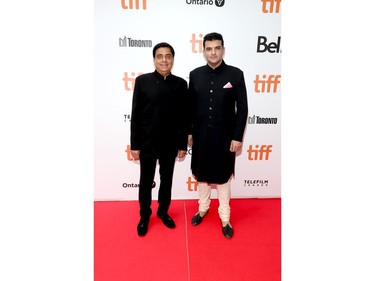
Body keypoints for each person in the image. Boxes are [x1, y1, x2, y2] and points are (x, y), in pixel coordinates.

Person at [188, 32, 248, 239]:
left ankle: (225, 217)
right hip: (201, 136)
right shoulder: (194, 75)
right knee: (202, 175)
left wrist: (237, 136)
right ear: (203, 50)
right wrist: (189, 132)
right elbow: (190, 107)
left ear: (223, 49)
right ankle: (203, 208)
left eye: (217, 48)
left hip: (225, 138)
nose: (213, 52)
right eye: (209, 48)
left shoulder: (236, 74)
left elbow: (242, 109)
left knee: (223, 178)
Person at [130, 42, 189, 237]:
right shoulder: (142, 81)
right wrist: (135, 144)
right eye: (160, 56)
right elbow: (136, 115)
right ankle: (144, 216)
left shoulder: (181, 84)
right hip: (147, 143)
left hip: (170, 143)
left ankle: (163, 212)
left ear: (173, 59)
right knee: (145, 181)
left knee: (166, 181)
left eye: (168, 56)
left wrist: (182, 144)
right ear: (154, 59)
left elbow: (183, 117)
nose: (164, 60)